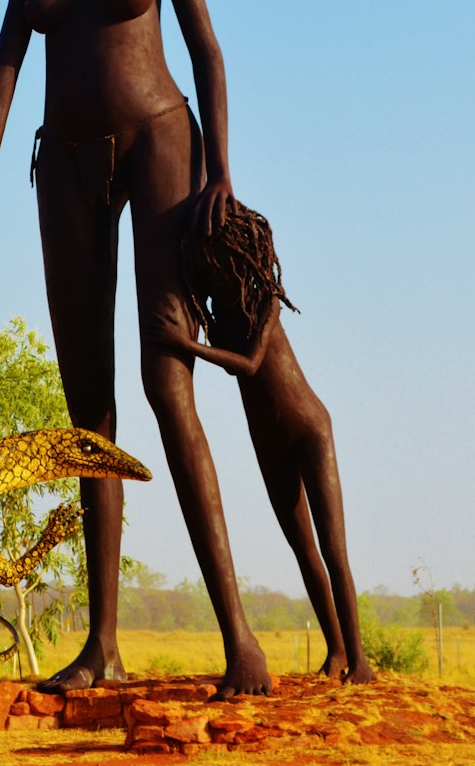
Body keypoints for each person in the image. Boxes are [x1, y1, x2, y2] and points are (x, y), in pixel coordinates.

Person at [0, 0, 271, 697]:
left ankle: (240, 638)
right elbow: (5, 63)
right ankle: (103, 646)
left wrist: (220, 169)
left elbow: (207, 47)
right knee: (87, 404)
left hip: (163, 144)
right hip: (68, 165)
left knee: (168, 376)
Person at [148, 202, 375, 682]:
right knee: (303, 549)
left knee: (334, 550)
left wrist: (184, 345)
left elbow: (248, 366)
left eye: (220, 261)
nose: (215, 273)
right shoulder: (217, 315)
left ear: (243, 257)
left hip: (310, 431)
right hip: (267, 439)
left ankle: (360, 661)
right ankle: (335, 652)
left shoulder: (267, 302)